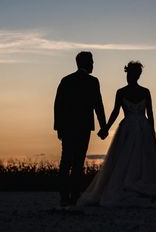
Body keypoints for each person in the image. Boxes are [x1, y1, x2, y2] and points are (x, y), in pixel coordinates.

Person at [77, 61, 156, 208]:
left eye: (131, 74)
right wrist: (106, 128)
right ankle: (130, 186)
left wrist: (152, 134)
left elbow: (147, 113)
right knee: (128, 158)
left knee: (140, 158)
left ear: (135, 75)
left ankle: (136, 188)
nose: (129, 76)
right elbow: (120, 112)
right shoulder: (132, 92)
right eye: (129, 73)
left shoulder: (132, 92)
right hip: (136, 128)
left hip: (137, 128)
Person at [54, 51, 107, 206]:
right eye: (92, 62)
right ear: (87, 63)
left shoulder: (66, 80)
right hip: (83, 127)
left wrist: (59, 127)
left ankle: (64, 195)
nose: (93, 65)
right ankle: (74, 194)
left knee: (66, 160)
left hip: (68, 127)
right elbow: (98, 105)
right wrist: (103, 126)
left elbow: (58, 105)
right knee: (78, 161)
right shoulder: (92, 81)